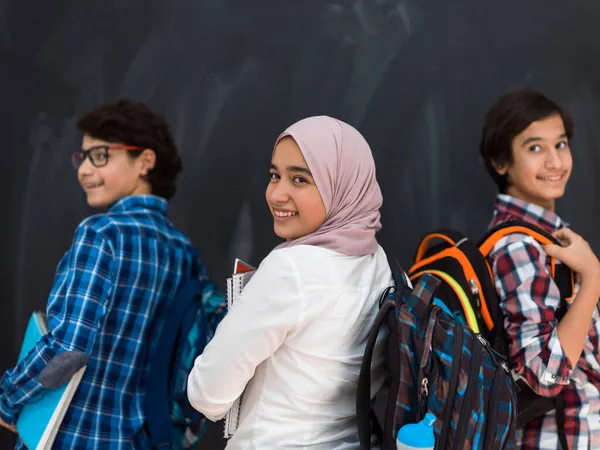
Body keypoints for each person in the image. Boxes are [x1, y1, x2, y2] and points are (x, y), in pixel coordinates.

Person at [0, 99, 225, 449]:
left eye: (100, 156)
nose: (84, 171)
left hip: (72, 438)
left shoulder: (102, 234)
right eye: (82, 157)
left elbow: (66, 349)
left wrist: (8, 399)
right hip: (140, 440)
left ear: (145, 162)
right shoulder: (184, 253)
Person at [187, 115, 393, 449]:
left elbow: (207, 394)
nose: (277, 194)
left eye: (300, 179)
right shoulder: (381, 265)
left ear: (341, 184)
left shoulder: (290, 269)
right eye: (274, 176)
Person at [480, 89, 600, 449]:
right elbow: (543, 374)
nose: (555, 162)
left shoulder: (548, 236)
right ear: (501, 163)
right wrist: (593, 279)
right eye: (535, 148)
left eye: (560, 145)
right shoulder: (519, 246)